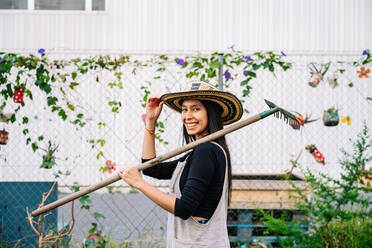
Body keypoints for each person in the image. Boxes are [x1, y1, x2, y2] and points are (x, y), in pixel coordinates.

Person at [119, 81, 243, 247]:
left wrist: (139, 183)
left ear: (211, 113)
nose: (187, 116)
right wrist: (151, 122)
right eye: (184, 109)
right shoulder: (199, 152)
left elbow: (185, 208)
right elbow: (151, 168)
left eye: (196, 109)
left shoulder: (206, 151)